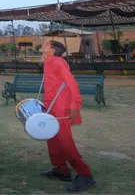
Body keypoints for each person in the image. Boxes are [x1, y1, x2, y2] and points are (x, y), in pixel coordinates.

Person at [40, 40, 96, 192]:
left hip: (60, 107)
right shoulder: (49, 61)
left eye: (46, 44)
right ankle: (61, 170)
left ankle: (85, 175)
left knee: (65, 141)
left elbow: (72, 84)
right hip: (51, 106)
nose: (43, 44)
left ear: (52, 49)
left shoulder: (58, 62)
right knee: (52, 137)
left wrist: (75, 105)